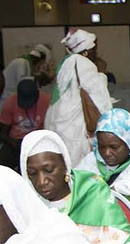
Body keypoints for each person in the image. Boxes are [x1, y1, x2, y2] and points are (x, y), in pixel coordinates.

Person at [20, 130, 130, 244]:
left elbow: (120, 243)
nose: (42, 181)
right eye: (32, 173)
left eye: (49, 170)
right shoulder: (27, 204)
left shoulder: (91, 190)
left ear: (65, 166)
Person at [76, 108, 130, 217]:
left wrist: (111, 192)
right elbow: (75, 189)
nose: (107, 153)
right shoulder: (92, 160)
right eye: (101, 146)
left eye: (114, 147)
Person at [46, 30, 111, 167]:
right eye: (94, 49)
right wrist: (102, 74)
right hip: (75, 127)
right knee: (80, 166)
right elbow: (99, 97)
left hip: (60, 122)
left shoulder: (66, 62)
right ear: (86, 51)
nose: (96, 53)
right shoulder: (83, 63)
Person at [0, 79, 50, 173]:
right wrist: (14, 144)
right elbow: (2, 134)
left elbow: (52, 129)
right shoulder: (9, 103)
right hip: (16, 142)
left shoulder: (47, 102)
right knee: (3, 158)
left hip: (39, 141)